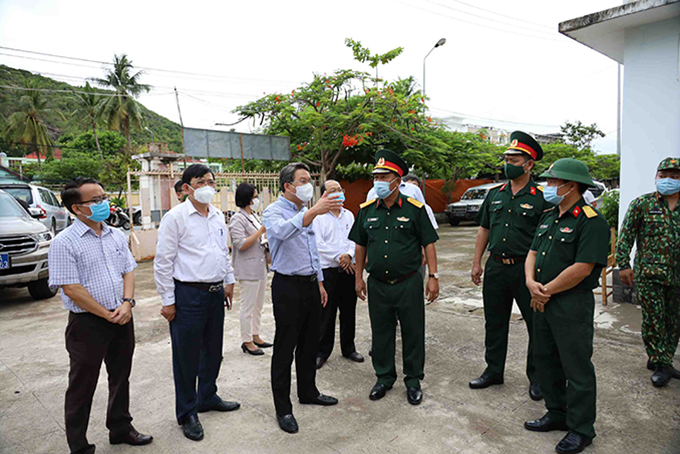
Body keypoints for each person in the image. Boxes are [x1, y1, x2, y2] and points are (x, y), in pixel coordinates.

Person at [48, 177, 152, 454]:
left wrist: (127, 303)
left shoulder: (115, 234)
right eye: (95, 200)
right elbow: (71, 288)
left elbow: (128, 270)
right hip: (88, 324)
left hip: (122, 316)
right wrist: (106, 314)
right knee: (82, 385)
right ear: (77, 208)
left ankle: (120, 428)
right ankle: (79, 446)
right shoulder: (64, 243)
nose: (103, 203)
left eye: (103, 197)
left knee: (121, 376)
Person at [524, 158, 609, 454]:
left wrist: (544, 290)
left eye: (551, 182)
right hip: (541, 300)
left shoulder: (592, 221)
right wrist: (530, 283)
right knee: (545, 360)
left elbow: (583, 268)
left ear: (570, 185)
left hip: (570, 304)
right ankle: (556, 413)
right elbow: (532, 253)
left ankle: (581, 428)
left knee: (577, 368)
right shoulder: (549, 216)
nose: (547, 186)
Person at [154, 164, 239, 442]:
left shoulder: (217, 216)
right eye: (200, 181)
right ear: (187, 188)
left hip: (215, 293)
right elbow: (163, 262)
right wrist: (168, 301)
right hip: (188, 295)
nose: (207, 186)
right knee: (186, 356)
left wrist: (228, 280)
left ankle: (208, 396)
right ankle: (187, 412)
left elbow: (222, 251)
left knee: (213, 351)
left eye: (211, 181)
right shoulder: (175, 217)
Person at [349, 149, 440, 406]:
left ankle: (413, 381)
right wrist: (358, 278)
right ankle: (384, 377)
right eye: (375, 176)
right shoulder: (367, 211)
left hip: (409, 282)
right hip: (377, 284)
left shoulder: (415, 209)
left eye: (383, 176)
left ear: (397, 180)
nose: (377, 181)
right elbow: (360, 247)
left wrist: (433, 276)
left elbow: (429, 243)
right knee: (381, 333)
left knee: (413, 333)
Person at [469, 131, 549, 401]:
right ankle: (493, 371)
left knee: (535, 325)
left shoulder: (542, 197)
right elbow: (484, 229)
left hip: (526, 272)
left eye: (514, 159)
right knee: (494, 322)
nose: (508, 163)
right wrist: (476, 262)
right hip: (496, 268)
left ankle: (537, 377)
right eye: (506, 158)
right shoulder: (495, 194)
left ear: (529, 164)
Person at [263, 162, 341, 434]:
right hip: (287, 286)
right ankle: (283, 408)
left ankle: (308, 391)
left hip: (310, 284)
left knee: (309, 344)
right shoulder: (273, 212)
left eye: (310, 179)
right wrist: (312, 213)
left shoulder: (307, 212)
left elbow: (313, 250)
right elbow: (282, 233)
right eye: (303, 180)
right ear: (288, 186)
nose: (309, 184)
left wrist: (319, 281)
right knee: (285, 348)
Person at [616, 157, 680, 387]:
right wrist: (623, 264)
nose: (668, 181)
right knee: (654, 319)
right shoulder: (642, 204)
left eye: (674, 177)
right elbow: (626, 236)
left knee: (674, 321)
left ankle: (662, 358)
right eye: (663, 176)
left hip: (678, 276)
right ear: (656, 177)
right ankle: (661, 362)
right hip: (649, 273)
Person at [313, 179, 364, 369]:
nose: (338, 193)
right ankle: (322, 351)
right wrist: (338, 257)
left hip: (348, 269)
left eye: (340, 189)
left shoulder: (349, 215)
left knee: (349, 310)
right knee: (327, 312)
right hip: (328, 271)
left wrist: (349, 255)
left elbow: (355, 239)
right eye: (333, 190)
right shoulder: (318, 218)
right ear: (324, 195)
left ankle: (348, 348)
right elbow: (318, 245)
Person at [229, 182, 272, 356]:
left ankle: (255, 335)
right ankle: (247, 341)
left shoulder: (253, 215)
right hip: (247, 268)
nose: (257, 200)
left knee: (258, 305)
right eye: (254, 197)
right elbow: (240, 245)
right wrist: (260, 231)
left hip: (260, 265)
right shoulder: (237, 219)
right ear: (247, 198)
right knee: (247, 307)